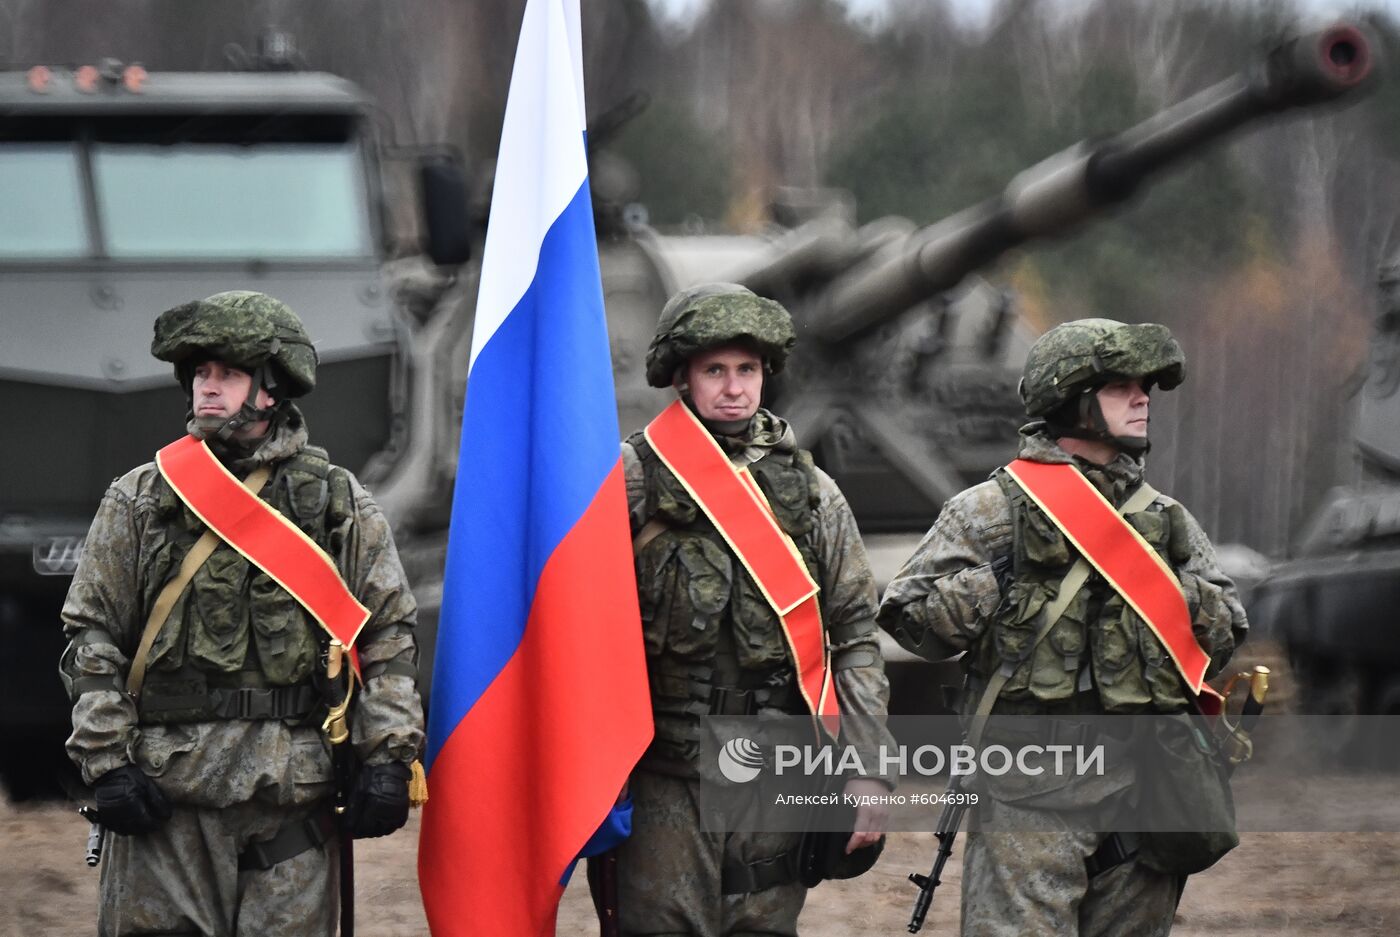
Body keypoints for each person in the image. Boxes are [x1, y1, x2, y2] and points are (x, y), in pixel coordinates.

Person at [59, 291, 424, 936]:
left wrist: (388, 755)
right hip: (166, 795)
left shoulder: (336, 500)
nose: (208, 387)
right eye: (200, 373)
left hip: (292, 796)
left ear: (272, 386)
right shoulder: (142, 497)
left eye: (227, 373)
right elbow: (92, 637)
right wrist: (107, 762)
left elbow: (387, 633)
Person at [878, 318, 1248, 937]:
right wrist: (991, 586)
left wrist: (1174, 597)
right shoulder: (992, 511)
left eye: (1145, 387)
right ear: (1070, 399)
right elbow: (910, 618)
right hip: (1032, 791)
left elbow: (1226, 629)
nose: (1141, 399)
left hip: (1150, 786)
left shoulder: (1163, 520)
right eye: (1120, 386)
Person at [615, 283, 895, 937]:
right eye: (716, 370)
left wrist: (869, 771)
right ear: (683, 376)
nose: (734, 387)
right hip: (664, 769)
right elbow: (579, 621)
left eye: (747, 369)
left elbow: (853, 636)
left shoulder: (814, 493)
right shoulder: (632, 479)